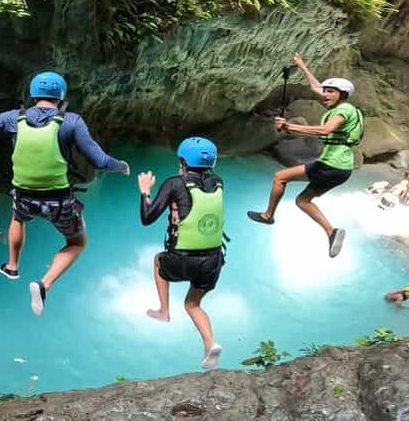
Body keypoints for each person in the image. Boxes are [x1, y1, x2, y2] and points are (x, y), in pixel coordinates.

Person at [0, 71, 130, 316]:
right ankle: (44, 285)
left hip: (24, 198)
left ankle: (12, 266)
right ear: (61, 96)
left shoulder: (15, 118)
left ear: (33, 94)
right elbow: (99, 161)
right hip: (59, 202)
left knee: (18, 217)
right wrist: (121, 166)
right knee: (77, 242)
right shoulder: (72, 121)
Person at [247, 53, 363, 258]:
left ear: (342, 94)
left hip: (331, 165)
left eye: (330, 92)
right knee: (303, 201)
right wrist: (302, 66)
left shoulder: (343, 110)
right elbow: (316, 88)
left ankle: (268, 216)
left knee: (280, 177)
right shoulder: (344, 106)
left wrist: (289, 125)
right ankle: (331, 232)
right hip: (342, 169)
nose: (325, 94)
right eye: (325, 91)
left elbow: (325, 130)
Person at [138, 137, 226, 370]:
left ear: (183, 162)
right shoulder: (218, 182)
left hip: (182, 260)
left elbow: (147, 218)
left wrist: (145, 191)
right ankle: (210, 343)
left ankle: (164, 310)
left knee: (158, 260)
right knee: (193, 304)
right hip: (213, 261)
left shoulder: (174, 183)